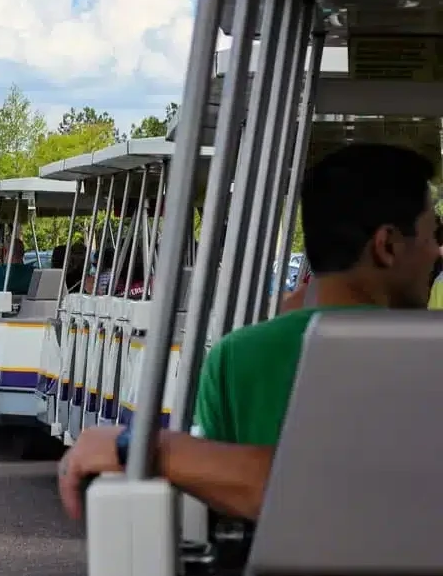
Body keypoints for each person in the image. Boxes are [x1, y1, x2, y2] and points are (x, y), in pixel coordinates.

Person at [57, 143, 438, 522]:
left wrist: (141, 446)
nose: (437, 251)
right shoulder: (427, 356)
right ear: (387, 245)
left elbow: (217, 503)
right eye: (432, 235)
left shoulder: (236, 356)